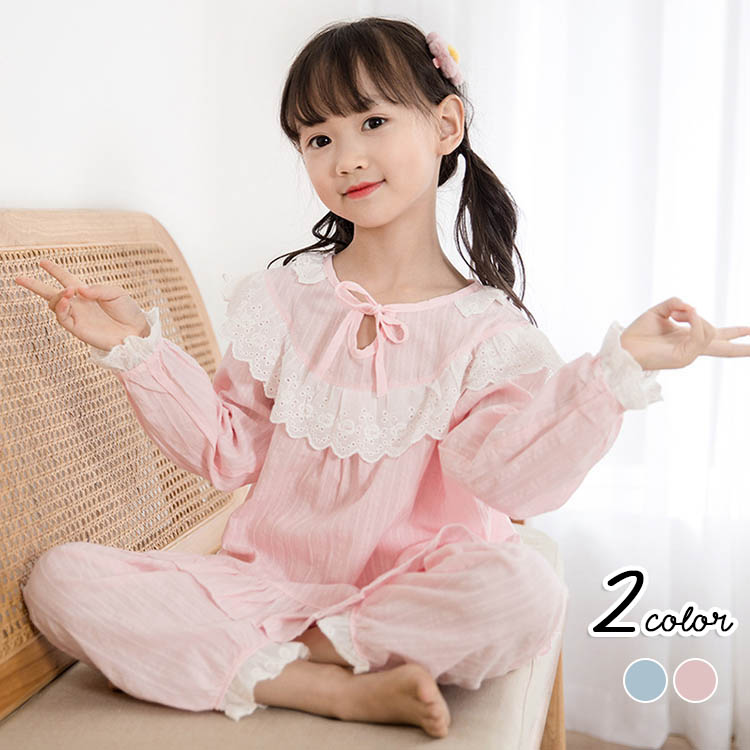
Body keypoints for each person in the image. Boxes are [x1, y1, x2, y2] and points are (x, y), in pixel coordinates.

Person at [13, 17, 750, 740]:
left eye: (372, 122)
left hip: (409, 594)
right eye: (319, 139)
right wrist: (137, 349)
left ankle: (302, 657)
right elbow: (228, 453)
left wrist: (618, 372)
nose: (346, 158)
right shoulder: (283, 299)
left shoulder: (488, 333)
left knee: (525, 589)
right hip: (265, 585)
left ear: (445, 125)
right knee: (62, 579)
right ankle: (329, 687)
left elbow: (515, 485)